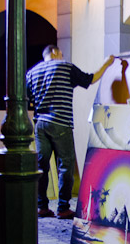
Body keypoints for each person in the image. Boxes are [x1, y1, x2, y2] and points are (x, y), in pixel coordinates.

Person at [26, 45, 115, 218]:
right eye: (61, 53)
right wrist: (106, 64)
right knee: (65, 166)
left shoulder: (32, 72)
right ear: (54, 52)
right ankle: (63, 207)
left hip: (40, 124)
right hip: (60, 122)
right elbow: (90, 79)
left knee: (41, 166)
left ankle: (41, 206)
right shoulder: (64, 67)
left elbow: (28, 97)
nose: (62, 56)